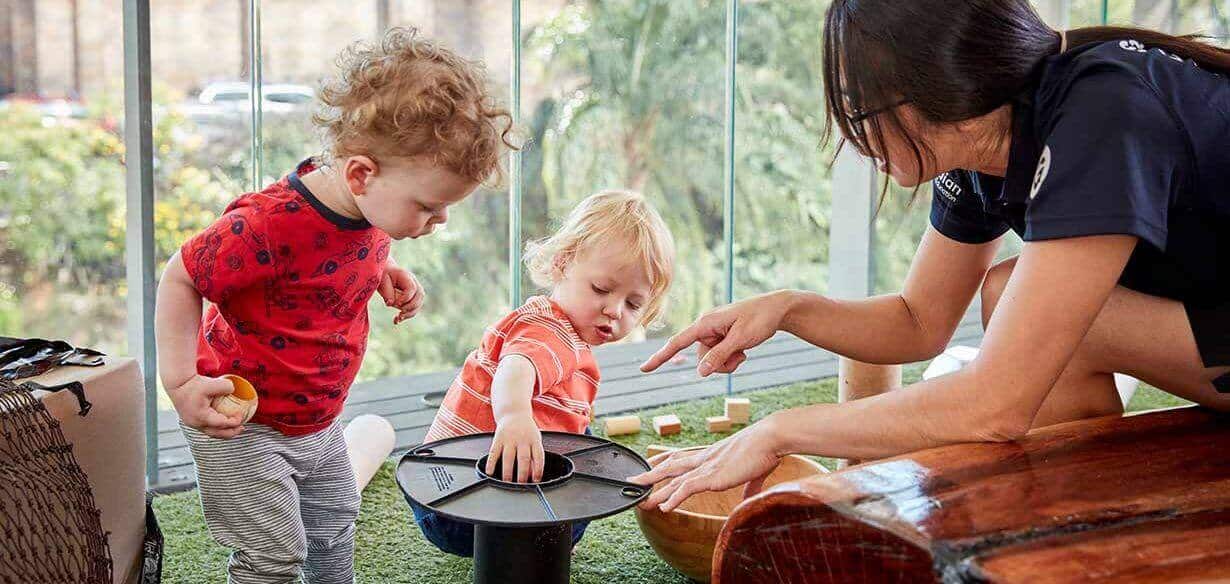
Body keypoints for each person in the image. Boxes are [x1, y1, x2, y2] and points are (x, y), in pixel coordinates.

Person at [629, 0, 1230, 513]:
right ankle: (1076, 520)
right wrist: (790, 309)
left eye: (858, 112)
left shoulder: (1102, 114)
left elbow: (997, 403)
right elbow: (920, 321)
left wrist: (779, 429)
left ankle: (1084, 529)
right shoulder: (986, 148)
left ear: (937, 89)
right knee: (1008, 295)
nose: (854, 141)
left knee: (1020, 305)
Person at [155, 27, 514, 582]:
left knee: (333, 526)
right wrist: (180, 384)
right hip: (242, 419)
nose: (438, 222)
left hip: (319, 417)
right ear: (361, 174)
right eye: (429, 207)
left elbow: (333, 257)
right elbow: (181, 277)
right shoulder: (267, 227)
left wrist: (382, 274)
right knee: (274, 555)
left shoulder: (367, 206)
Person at [410, 190, 675, 556]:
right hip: (464, 508)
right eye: (601, 288)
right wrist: (515, 416)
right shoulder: (549, 331)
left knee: (584, 440)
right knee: (578, 505)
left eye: (633, 304)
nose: (614, 310)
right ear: (563, 263)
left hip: (444, 495)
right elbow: (516, 368)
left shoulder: (563, 333)